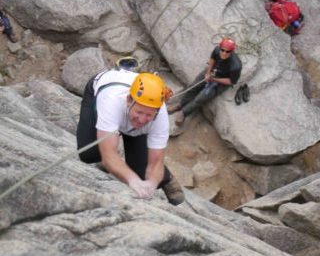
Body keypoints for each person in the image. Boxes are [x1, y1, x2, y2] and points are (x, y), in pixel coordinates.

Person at [76, 69, 185, 205]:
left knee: (142, 174)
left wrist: (152, 183)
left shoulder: (160, 116)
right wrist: (131, 179)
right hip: (99, 90)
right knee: (88, 154)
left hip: (130, 120)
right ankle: (114, 156)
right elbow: (108, 154)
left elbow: (156, 162)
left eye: (149, 115)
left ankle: (167, 178)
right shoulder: (112, 102)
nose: (142, 119)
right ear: (128, 100)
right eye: (139, 111)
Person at [170, 38, 242, 125]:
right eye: (222, 50)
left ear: (232, 52)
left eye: (227, 51)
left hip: (221, 81)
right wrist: (208, 73)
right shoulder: (217, 50)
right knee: (194, 86)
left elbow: (231, 81)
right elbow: (212, 61)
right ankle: (181, 104)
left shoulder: (236, 65)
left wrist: (214, 79)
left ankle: (183, 112)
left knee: (201, 98)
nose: (224, 53)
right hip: (212, 72)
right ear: (220, 48)